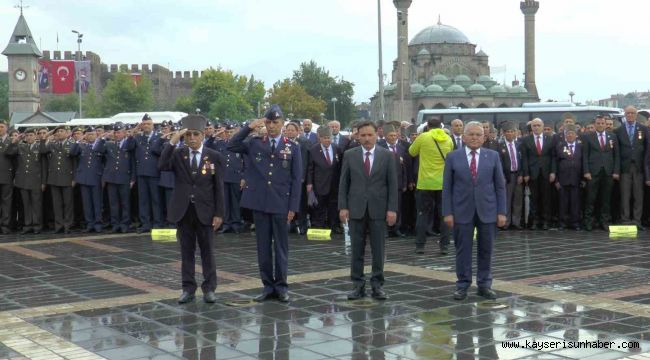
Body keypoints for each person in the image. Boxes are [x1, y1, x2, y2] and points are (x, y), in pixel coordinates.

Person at [227, 105, 302, 303]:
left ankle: (282, 287)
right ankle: (268, 286)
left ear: (283, 123)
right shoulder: (254, 143)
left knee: (281, 247)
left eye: (275, 122)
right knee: (263, 247)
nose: (271, 126)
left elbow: (296, 179)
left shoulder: (292, 147)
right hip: (259, 202)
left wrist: (293, 207)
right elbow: (232, 144)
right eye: (268, 122)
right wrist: (249, 127)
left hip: (281, 204)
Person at [159, 114, 225, 304]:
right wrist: (173, 140)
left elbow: (219, 187)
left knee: (207, 252)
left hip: (206, 210)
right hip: (184, 210)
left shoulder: (214, 156)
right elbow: (162, 165)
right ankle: (188, 288)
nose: (192, 138)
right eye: (188, 135)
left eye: (196, 134)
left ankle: (209, 288)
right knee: (186, 252)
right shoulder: (179, 154)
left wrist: (219, 213)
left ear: (203, 135)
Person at [442, 121, 506, 301]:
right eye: (471, 134)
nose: (474, 138)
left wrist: (502, 212)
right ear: (463, 137)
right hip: (461, 210)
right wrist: (448, 212)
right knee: (463, 249)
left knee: (486, 249)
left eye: (478, 135)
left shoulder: (492, 156)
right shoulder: (453, 157)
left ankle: (484, 284)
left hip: (488, 210)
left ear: (484, 137)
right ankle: (462, 285)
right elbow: (447, 187)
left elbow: (500, 186)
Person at [339, 121, 398, 301]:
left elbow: (393, 185)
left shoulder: (387, 156)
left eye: (370, 135)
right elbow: (343, 183)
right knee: (356, 249)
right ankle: (358, 285)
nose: (366, 138)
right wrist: (343, 207)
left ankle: (377, 285)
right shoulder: (350, 155)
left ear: (376, 135)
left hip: (379, 209)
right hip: (356, 208)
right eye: (363, 135)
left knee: (378, 249)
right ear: (357, 136)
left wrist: (392, 209)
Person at [409, 118, 453, 255]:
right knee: (444, 215)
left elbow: (411, 152)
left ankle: (420, 245)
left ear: (427, 126)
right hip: (443, 183)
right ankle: (444, 246)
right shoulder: (448, 139)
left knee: (422, 214)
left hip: (425, 182)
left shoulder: (423, 137)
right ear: (441, 125)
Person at [95, 123, 136, 233]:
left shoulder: (129, 145)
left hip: (124, 177)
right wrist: (102, 137)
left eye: (119, 132)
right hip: (111, 178)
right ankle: (115, 224)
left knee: (125, 203)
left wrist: (133, 178)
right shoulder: (109, 144)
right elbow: (97, 150)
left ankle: (125, 224)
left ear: (123, 133)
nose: (117, 134)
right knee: (113, 203)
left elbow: (133, 162)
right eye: (115, 132)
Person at [583, 115, 619, 231]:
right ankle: (589, 221)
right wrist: (586, 171)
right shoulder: (588, 137)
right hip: (593, 172)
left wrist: (616, 171)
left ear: (605, 124)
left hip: (608, 172)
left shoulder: (612, 136)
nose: (600, 125)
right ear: (595, 124)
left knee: (606, 199)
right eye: (598, 123)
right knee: (591, 198)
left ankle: (605, 221)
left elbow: (616, 155)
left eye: (602, 123)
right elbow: (585, 156)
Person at [614, 106, 648, 230]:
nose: (630, 115)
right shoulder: (618, 130)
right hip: (624, 168)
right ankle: (625, 220)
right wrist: (616, 170)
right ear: (625, 115)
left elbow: (647, 150)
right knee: (625, 195)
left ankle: (637, 221)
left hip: (639, 167)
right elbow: (616, 152)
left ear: (636, 115)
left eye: (632, 113)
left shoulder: (643, 129)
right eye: (628, 113)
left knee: (638, 196)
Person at [7, 128, 45, 234]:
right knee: (26, 204)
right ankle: (28, 225)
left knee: (36, 204)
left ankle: (37, 225)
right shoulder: (21, 147)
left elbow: (43, 162)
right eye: (27, 135)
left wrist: (43, 182)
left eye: (31, 135)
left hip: (36, 180)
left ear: (35, 136)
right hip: (23, 180)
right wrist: (14, 142)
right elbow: (9, 153)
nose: (29, 137)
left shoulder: (39, 147)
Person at [39, 125, 75, 234]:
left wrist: (74, 178)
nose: (59, 133)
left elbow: (75, 163)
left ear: (66, 133)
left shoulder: (72, 145)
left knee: (68, 204)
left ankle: (68, 225)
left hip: (67, 178)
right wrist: (44, 138)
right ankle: (58, 225)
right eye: (57, 131)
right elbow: (42, 151)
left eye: (61, 131)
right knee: (57, 204)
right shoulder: (52, 145)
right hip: (54, 178)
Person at [521, 118, 555, 230]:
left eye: (538, 125)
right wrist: (526, 173)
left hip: (546, 173)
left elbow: (553, 157)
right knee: (534, 198)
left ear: (542, 126)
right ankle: (534, 221)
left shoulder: (550, 139)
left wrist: (553, 172)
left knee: (546, 198)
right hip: (532, 173)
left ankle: (545, 221)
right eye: (534, 125)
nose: (536, 127)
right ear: (531, 127)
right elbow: (524, 158)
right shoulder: (526, 140)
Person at [306, 126, 342, 232]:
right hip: (319, 183)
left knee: (333, 206)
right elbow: (310, 168)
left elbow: (339, 165)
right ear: (320, 138)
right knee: (319, 206)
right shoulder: (313, 150)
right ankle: (318, 225)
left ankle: (333, 225)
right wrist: (309, 183)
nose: (327, 140)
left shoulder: (336, 148)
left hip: (334, 183)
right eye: (325, 138)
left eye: (329, 137)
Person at [70, 127, 104, 233]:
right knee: (87, 203)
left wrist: (100, 140)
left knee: (97, 202)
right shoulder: (82, 146)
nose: (90, 136)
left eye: (93, 134)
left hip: (96, 177)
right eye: (88, 134)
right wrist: (78, 140)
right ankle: (90, 223)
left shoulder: (100, 145)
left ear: (96, 135)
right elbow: (72, 153)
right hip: (84, 178)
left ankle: (98, 223)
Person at [133, 114, 163, 233]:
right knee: (143, 200)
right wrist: (134, 131)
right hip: (142, 172)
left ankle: (157, 223)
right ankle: (145, 223)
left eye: (148, 124)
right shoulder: (138, 138)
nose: (146, 126)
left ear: (153, 125)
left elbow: (161, 152)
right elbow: (129, 147)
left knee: (156, 199)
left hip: (154, 172)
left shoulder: (159, 137)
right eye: (144, 124)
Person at [551, 125, 583, 231]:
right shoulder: (559, 146)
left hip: (576, 179)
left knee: (575, 203)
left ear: (576, 135)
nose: (570, 135)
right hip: (563, 179)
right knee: (563, 203)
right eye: (568, 133)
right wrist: (556, 179)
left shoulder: (580, 147)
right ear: (565, 136)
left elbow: (583, 163)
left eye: (572, 133)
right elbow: (555, 162)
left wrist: (583, 179)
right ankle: (562, 223)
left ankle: (575, 223)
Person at [498, 122, 523, 230]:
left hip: (518, 175)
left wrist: (522, 174)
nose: (510, 134)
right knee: (506, 199)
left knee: (517, 200)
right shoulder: (500, 146)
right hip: (507, 176)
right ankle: (506, 222)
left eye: (512, 131)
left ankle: (516, 222)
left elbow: (523, 160)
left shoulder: (519, 145)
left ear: (516, 133)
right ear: (504, 134)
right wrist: (502, 176)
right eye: (508, 132)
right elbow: (499, 163)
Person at [0, 120, 13, 234]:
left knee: (6, 203)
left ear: (6, 128)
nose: (0, 129)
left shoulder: (11, 141)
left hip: (7, 176)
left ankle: (5, 226)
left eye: (2, 127)